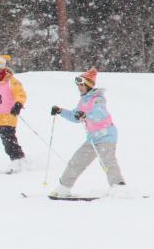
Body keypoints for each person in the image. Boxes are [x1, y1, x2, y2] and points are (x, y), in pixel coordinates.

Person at [49, 67, 127, 198]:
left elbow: (99, 114)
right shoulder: (83, 101)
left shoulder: (98, 99)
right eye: (78, 85)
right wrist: (60, 111)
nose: (79, 87)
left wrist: (86, 114)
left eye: (81, 85)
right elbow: (75, 116)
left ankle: (119, 188)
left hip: (106, 136)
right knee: (77, 161)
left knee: (107, 162)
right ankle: (64, 187)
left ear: (89, 85)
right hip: (92, 139)